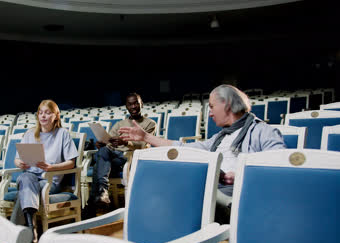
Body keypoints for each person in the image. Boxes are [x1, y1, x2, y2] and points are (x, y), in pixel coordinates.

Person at [119, 85, 286, 223]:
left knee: (177, 200)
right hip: (211, 191)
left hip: (238, 198)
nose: (210, 113)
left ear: (227, 104)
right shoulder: (219, 138)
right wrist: (146, 137)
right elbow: (183, 147)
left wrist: (240, 175)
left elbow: (279, 165)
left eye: (212, 107)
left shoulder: (263, 131)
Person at [11, 99, 78, 238]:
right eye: (40, 113)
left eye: (47, 113)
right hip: (29, 176)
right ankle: (30, 227)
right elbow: (17, 159)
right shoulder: (30, 133)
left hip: (50, 181)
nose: (43, 116)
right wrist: (20, 164)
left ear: (56, 116)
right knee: (25, 177)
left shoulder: (62, 134)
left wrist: (52, 167)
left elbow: (71, 163)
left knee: (24, 190)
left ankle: (25, 230)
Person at [83, 92, 156, 219]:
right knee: (103, 151)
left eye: (136, 103)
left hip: (132, 157)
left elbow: (143, 145)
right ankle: (102, 193)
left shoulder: (149, 124)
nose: (133, 107)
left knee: (99, 164)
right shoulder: (119, 124)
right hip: (115, 157)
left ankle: (92, 204)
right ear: (126, 106)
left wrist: (126, 142)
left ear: (141, 104)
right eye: (130, 104)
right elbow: (109, 142)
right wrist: (102, 143)